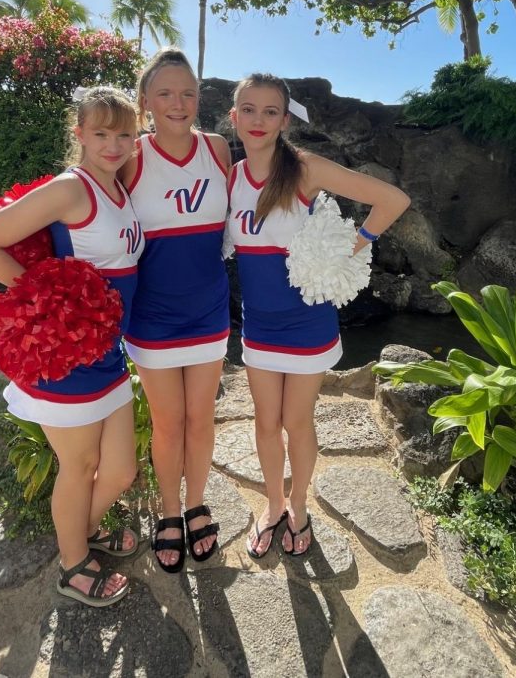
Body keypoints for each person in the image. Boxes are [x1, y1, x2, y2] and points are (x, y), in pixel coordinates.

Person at [0, 86, 143, 607]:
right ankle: (72, 565)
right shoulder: (70, 189)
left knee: (122, 470)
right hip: (71, 361)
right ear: (78, 133)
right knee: (79, 468)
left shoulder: (118, 187)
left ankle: (80, 533)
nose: (113, 144)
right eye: (101, 133)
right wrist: (42, 301)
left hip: (108, 355)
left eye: (124, 133)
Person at [228, 74, 410, 557]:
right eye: (249, 109)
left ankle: (299, 506)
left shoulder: (305, 168)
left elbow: (392, 200)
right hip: (260, 325)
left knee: (296, 421)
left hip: (308, 324)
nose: (259, 120)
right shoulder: (230, 178)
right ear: (234, 118)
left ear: (285, 120)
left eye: (271, 111)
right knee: (265, 423)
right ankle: (272, 506)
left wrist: (355, 248)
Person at [120, 49, 231, 573]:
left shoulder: (217, 149)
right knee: (168, 423)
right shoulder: (130, 157)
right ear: (145, 102)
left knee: (200, 416)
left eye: (187, 92)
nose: (178, 103)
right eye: (165, 93)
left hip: (209, 310)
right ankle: (168, 511)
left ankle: (195, 505)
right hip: (153, 316)